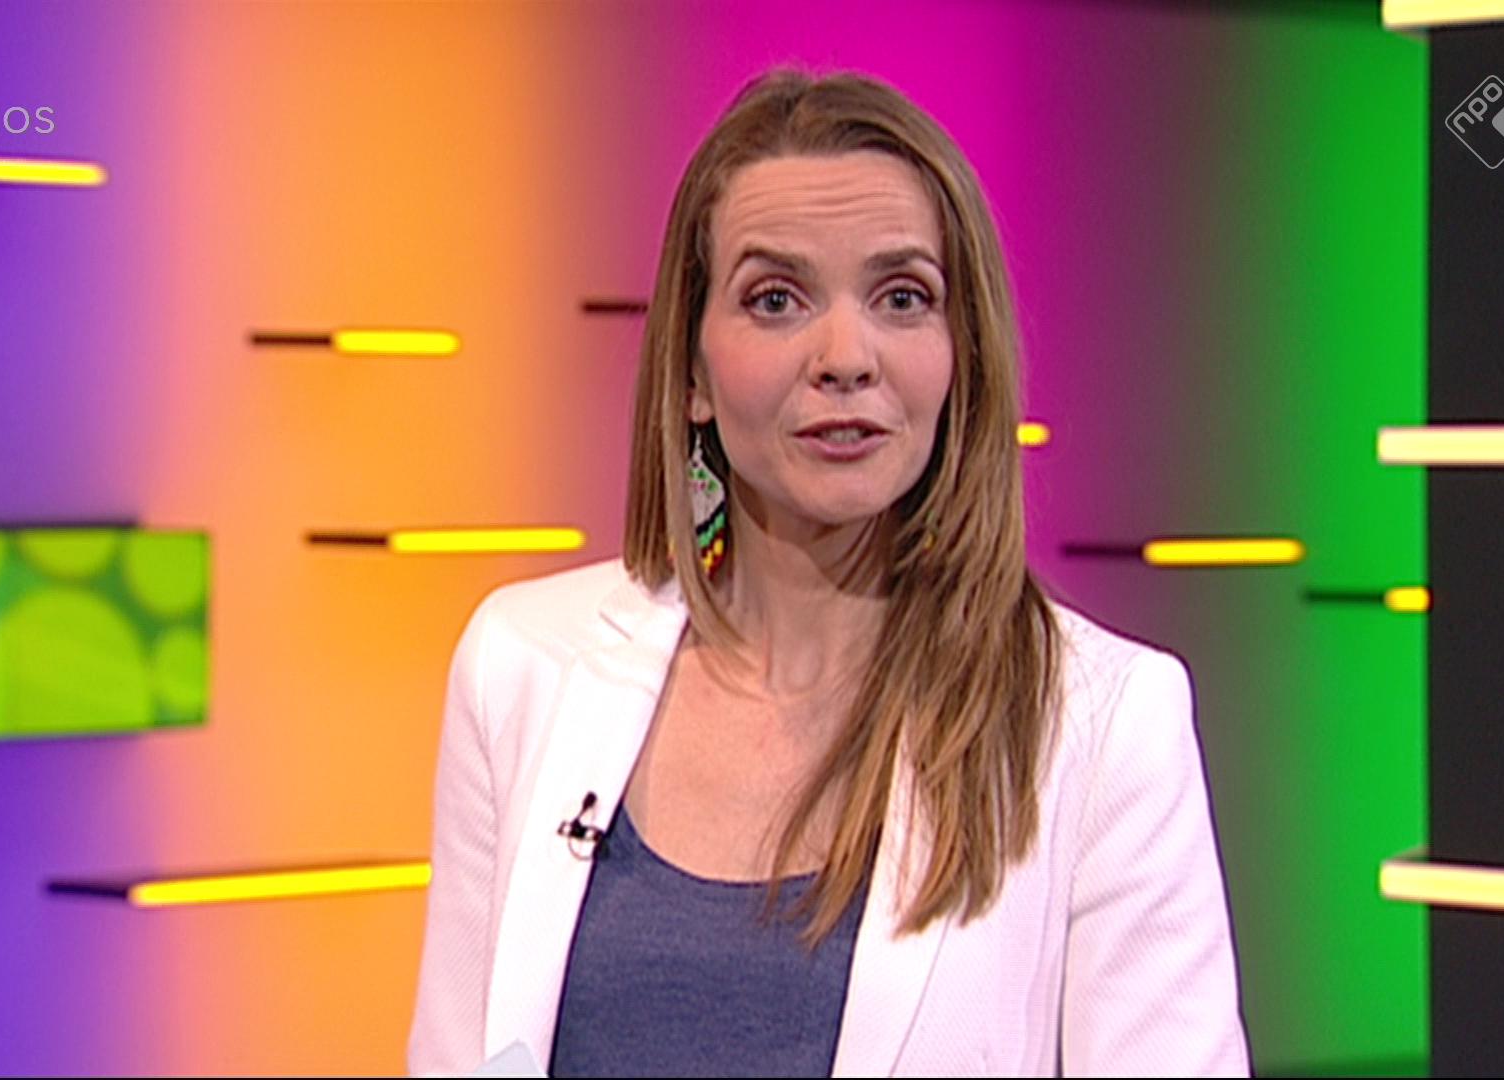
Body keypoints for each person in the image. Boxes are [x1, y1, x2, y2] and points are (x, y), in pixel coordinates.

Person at [408, 67, 1249, 1078]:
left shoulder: (1101, 723)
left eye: (902, 297)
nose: (846, 356)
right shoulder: (521, 664)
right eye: (776, 299)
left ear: (961, 355)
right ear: (692, 371)